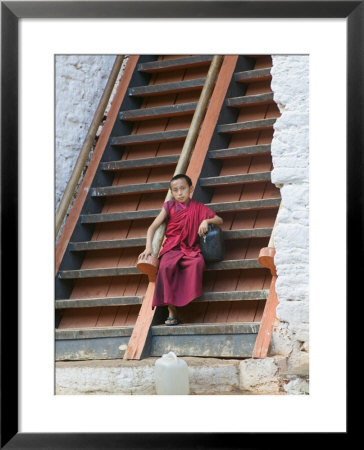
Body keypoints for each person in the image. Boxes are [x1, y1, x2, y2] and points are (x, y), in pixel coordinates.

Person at [138, 174, 223, 326]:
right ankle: (172, 311)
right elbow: (152, 227)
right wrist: (148, 247)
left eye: (183, 189)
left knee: (198, 262)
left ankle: (186, 300)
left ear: (190, 189)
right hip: (171, 248)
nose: (180, 193)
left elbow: (219, 220)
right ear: (172, 192)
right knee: (165, 267)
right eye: (175, 190)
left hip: (190, 248)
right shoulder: (169, 206)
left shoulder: (198, 207)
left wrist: (206, 220)